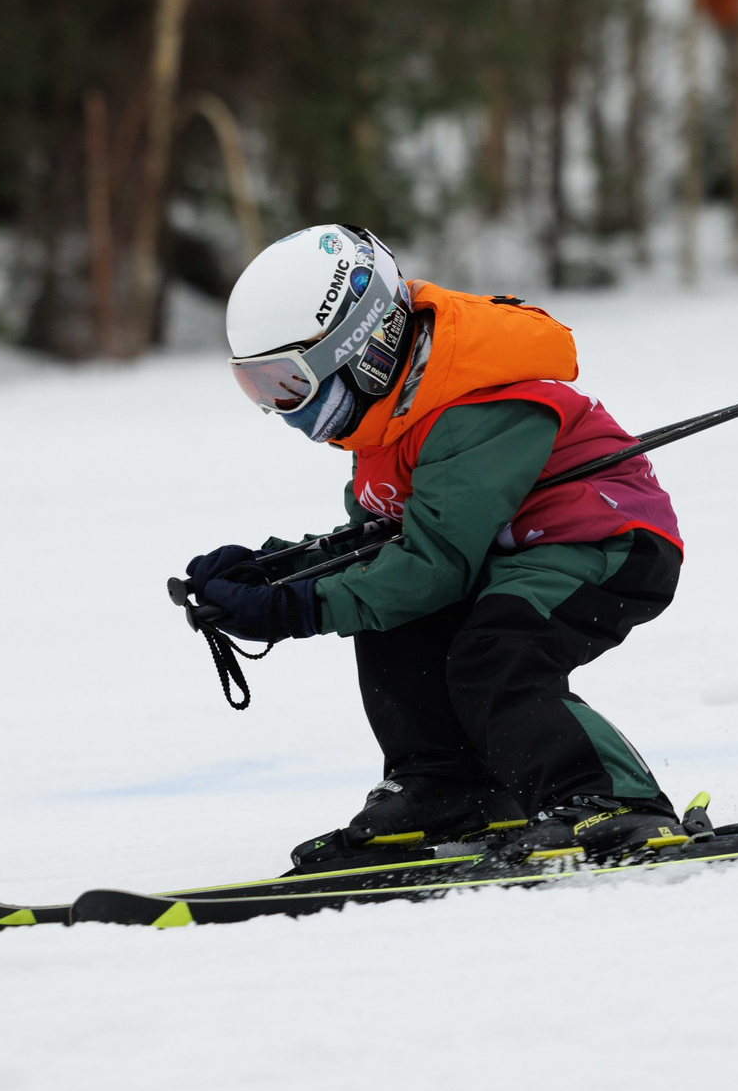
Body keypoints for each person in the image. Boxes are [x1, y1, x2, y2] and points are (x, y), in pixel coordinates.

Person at [181, 223, 688, 873]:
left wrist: (295, 610)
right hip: (506, 552)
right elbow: (386, 545)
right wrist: (272, 574)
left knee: (495, 654)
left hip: (604, 542)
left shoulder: (466, 407)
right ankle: (447, 791)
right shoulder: (388, 415)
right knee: (396, 622)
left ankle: (613, 802)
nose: (281, 410)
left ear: (361, 347)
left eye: (287, 384)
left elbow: (430, 567)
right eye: (257, 387)